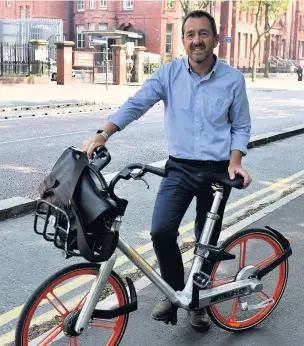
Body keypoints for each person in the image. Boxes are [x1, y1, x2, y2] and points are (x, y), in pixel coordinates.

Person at [82, 10, 252, 332]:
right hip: (180, 168)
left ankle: (197, 303)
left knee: (206, 241)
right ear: (184, 40)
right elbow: (136, 103)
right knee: (161, 231)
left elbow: (241, 126)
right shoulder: (169, 74)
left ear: (215, 39)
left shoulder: (233, 79)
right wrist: (103, 134)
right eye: (190, 35)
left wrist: (235, 160)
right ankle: (176, 292)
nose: (197, 40)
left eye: (204, 34)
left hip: (218, 171)